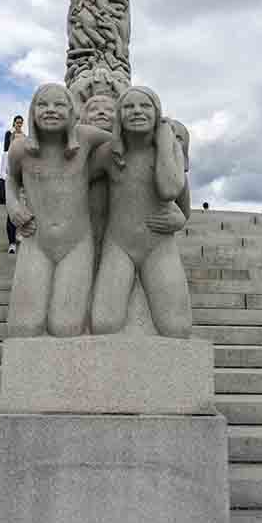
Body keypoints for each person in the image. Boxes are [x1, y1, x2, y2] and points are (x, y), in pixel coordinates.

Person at [6, 83, 111, 336]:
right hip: (36, 241)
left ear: (72, 111)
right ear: (32, 111)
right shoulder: (20, 148)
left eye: (59, 104)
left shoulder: (85, 137)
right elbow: (11, 179)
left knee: (66, 327)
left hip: (76, 243)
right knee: (24, 327)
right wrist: (13, 204)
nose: (50, 110)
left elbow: (125, 140)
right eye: (43, 104)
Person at [90, 87, 191, 338]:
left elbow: (170, 190)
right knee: (104, 323)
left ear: (157, 113)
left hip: (158, 245)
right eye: (128, 107)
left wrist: (166, 140)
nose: (136, 112)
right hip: (119, 244)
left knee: (176, 327)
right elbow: (71, 182)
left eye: (145, 106)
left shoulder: (170, 149)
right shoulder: (107, 154)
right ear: (119, 116)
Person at [2, 115, 26, 254]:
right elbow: (5, 155)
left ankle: (19, 234)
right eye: (17, 122)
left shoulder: (24, 136)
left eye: (21, 123)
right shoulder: (9, 136)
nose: (19, 125)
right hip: (11, 178)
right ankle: (11, 243)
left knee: (22, 206)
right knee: (11, 211)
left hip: (22, 178)